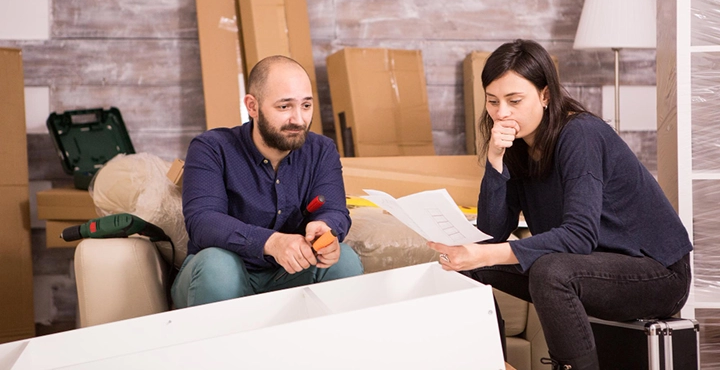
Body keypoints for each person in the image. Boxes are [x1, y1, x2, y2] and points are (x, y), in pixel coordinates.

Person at [428, 39, 692, 370]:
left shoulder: (580, 134)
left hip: (656, 272)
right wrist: (495, 160)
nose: (502, 113)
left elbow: (579, 236)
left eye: (514, 100)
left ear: (545, 95)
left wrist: (484, 252)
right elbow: (491, 233)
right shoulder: (516, 145)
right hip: (589, 265)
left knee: (551, 271)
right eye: (493, 101)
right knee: (462, 265)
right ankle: (495, 364)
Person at [172, 55, 364, 308]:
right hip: (223, 275)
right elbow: (203, 221)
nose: (298, 119)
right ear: (252, 106)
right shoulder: (211, 148)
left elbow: (335, 210)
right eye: (284, 107)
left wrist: (326, 228)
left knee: (345, 260)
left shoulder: (322, 151)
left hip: (292, 273)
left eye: (306, 106)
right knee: (218, 266)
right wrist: (272, 242)